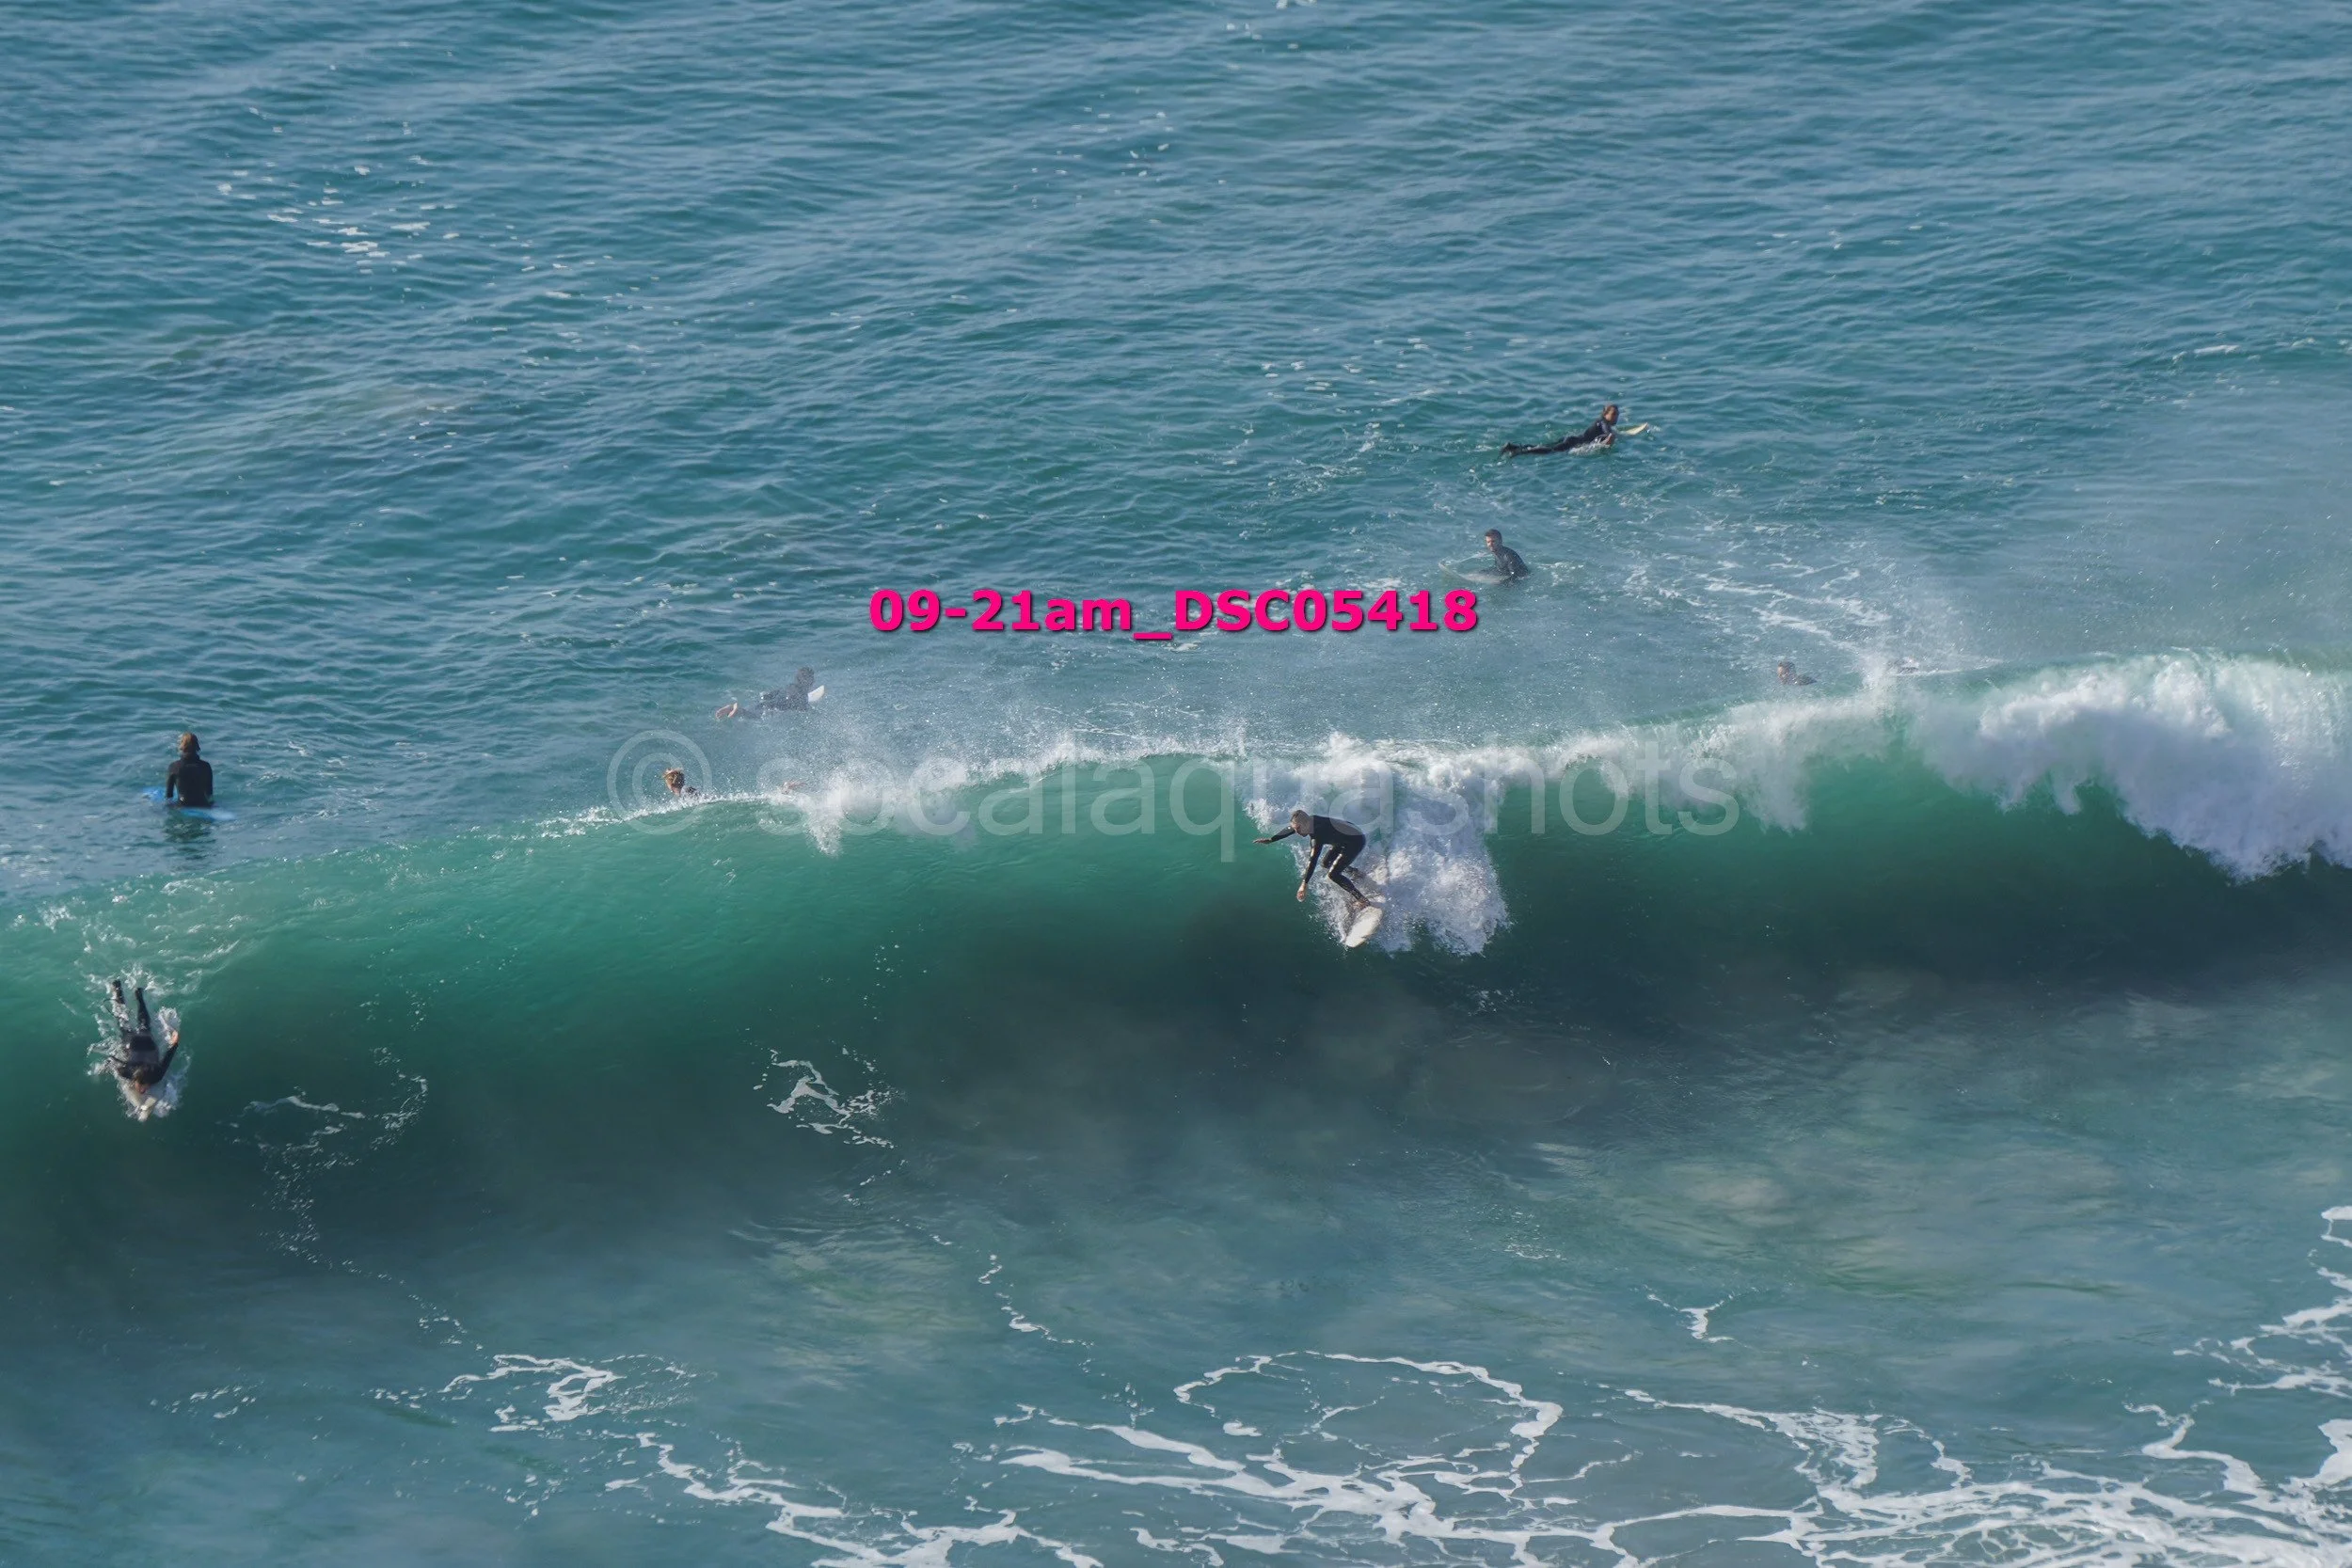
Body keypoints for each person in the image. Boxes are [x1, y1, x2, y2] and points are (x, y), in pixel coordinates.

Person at [1255, 810, 1375, 911]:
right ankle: (1356, 873)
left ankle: (1362, 900)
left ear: (1304, 825)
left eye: (1297, 829)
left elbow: (1312, 860)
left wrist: (1304, 884)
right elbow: (1291, 828)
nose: (1296, 832)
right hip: (1344, 837)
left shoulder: (1318, 835)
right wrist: (1272, 839)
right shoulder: (1308, 821)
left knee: (1333, 875)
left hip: (1355, 841)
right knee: (1325, 863)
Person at [107, 980, 179, 1096]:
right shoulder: (129, 1072)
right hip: (141, 1043)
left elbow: (167, 1058)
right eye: (143, 1088)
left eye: (142, 1087)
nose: (142, 1091)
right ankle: (129, 993)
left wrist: (175, 1044)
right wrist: (175, 1043)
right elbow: (111, 1060)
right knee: (126, 1022)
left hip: (143, 1043)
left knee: (140, 1024)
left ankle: (127, 992)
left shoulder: (156, 1075)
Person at [1504, 404, 1620, 457]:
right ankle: (1520, 452)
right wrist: (1609, 439)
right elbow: (1607, 433)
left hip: (1571, 439)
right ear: (1605, 414)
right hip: (1573, 442)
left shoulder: (1601, 422)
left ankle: (1513, 447)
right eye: (1613, 414)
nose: (1616, 416)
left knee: (1545, 446)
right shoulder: (1603, 422)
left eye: (1617, 414)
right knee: (1550, 451)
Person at [716, 668, 818, 721]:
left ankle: (733, 708)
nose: (813, 681)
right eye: (812, 679)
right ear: (808, 681)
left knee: (752, 710)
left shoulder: (788, 687)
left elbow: (768, 695)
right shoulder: (802, 695)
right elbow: (803, 710)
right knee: (755, 718)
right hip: (773, 709)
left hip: (765, 703)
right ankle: (738, 711)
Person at [164, 733, 214, 808]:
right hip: (203, 805)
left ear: (182, 747)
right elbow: (209, 793)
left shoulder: (174, 767)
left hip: (182, 806)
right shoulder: (206, 766)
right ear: (197, 746)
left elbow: (169, 795)